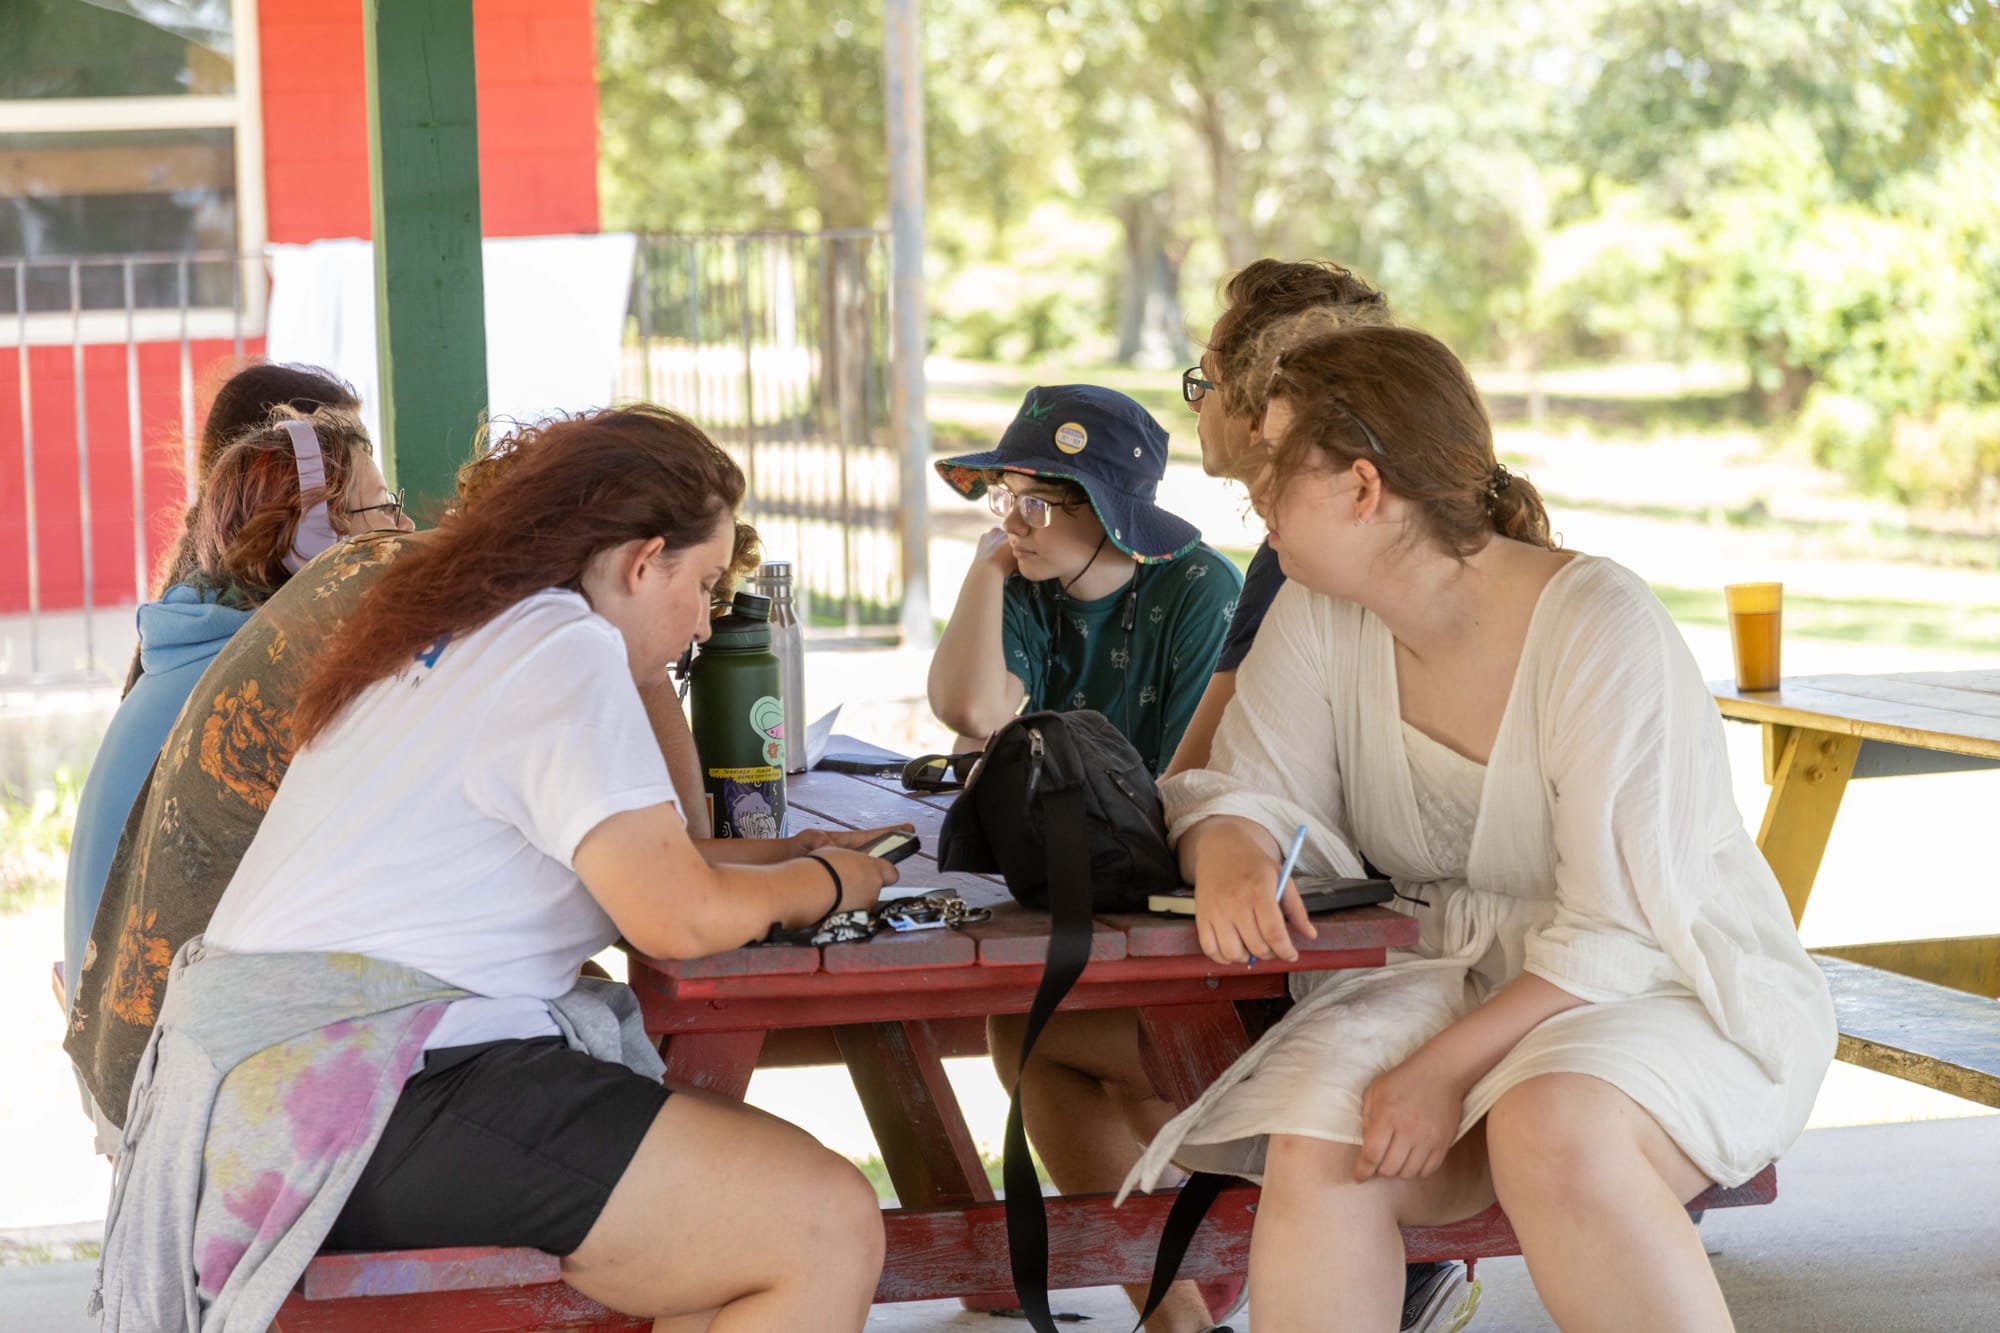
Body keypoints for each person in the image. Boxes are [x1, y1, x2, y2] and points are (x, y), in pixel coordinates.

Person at [92, 405, 897, 1331]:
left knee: (732, 1238)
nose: (707, 620)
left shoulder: (474, 623)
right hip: (365, 1090)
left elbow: (646, 849)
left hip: (298, 1086)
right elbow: (675, 916)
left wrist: (781, 856)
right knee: (820, 1226)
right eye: (706, 583)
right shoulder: (560, 647)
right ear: (644, 562)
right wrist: (835, 883)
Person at [1118, 320, 1835, 1331]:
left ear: (1361, 488)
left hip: (1660, 979)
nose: (1251, 495)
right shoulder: (1321, 611)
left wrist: (1437, 1070)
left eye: (1272, 467)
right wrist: (1230, 845)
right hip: (1443, 979)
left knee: (1552, 1124)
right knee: (1323, 1140)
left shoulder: (1597, 622)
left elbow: (1617, 930)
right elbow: (1240, 788)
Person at [987, 263, 1471, 1333]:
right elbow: (1230, 781)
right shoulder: (1337, 553)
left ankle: (1207, 1308)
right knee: (1087, 1019)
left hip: (1347, 950)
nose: (1193, 402)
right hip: (1342, 928)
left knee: (1039, 1028)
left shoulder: (1284, 568)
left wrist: (1198, 822)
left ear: (1262, 403)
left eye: (1202, 378)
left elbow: (1200, 776)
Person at [61, 402, 408, 1034]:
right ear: (313, 540)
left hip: (133, 1058)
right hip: (167, 1073)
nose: (405, 525)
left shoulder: (191, 646)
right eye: (381, 508)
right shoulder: (269, 679)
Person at [928, 384, 1242, 774]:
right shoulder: (1024, 575)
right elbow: (973, 715)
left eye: (1035, 504)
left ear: (1106, 512)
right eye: (1007, 496)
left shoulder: (1200, 588)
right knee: (980, 744)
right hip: (1050, 806)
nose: (1010, 525)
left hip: (1158, 818)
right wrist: (985, 572)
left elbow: (1192, 774)